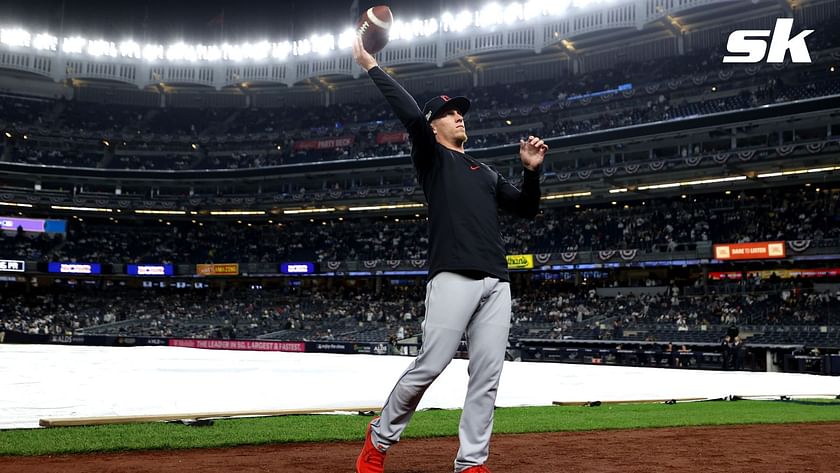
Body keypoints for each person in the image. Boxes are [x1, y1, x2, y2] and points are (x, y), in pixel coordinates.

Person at [352, 37, 546, 473]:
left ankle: (471, 463)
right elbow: (407, 113)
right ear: (433, 125)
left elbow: (527, 209)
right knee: (430, 366)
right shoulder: (431, 158)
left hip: (497, 282)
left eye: (460, 113)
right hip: (452, 277)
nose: (459, 116)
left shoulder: (486, 171)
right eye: (449, 113)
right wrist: (370, 65)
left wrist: (532, 173)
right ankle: (379, 439)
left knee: (487, 379)